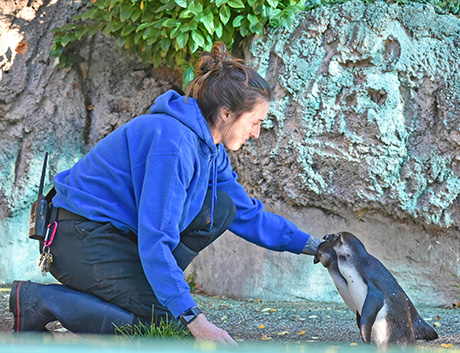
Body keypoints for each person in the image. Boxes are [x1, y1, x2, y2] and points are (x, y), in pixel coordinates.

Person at [9, 42, 322, 344]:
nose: (256, 132)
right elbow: (156, 237)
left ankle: (143, 290)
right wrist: (192, 317)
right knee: (169, 326)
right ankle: (40, 301)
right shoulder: (174, 144)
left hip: (115, 239)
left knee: (222, 207)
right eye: (255, 122)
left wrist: (317, 248)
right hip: (78, 238)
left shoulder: (211, 150)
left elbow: (245, 213)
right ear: (226, 113)